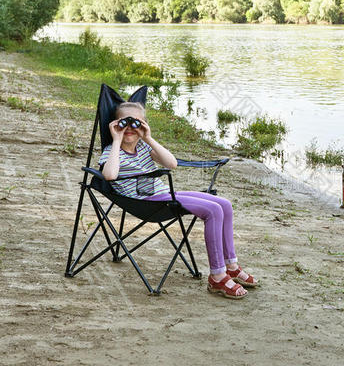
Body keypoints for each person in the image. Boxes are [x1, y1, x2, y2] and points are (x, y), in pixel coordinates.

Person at [100, 101, 257, 299]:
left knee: (224, 204)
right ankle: (217, 276)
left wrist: (148, 138)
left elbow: (171, 163)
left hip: (163, 194)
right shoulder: (111, 151)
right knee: (213, 211)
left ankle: (231, 266)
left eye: (137, 123)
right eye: (125, 122)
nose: (130, 128)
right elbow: (110, 175)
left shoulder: (143, 148)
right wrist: (116, 140)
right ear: (115, 124)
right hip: (147, 203)